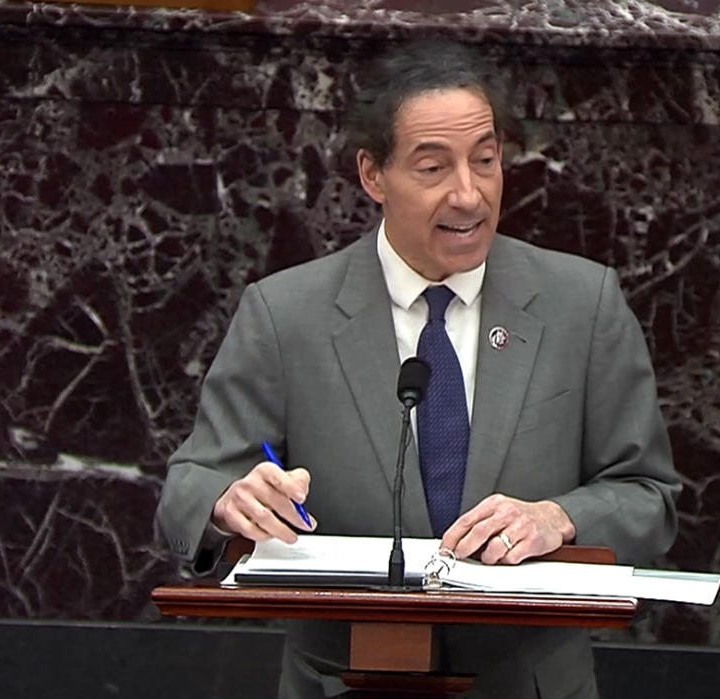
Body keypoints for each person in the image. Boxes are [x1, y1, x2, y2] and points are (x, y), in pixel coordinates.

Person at [156, 39, 681, 699]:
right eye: (433, 168)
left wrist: (559, 517)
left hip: (529, 683)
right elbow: (188, 487)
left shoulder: (583, 304)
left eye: (486, 161)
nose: (469, 194)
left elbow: (649, 496)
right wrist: (226, 502)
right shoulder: (285, 314)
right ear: (373, 175)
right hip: (342, 679)